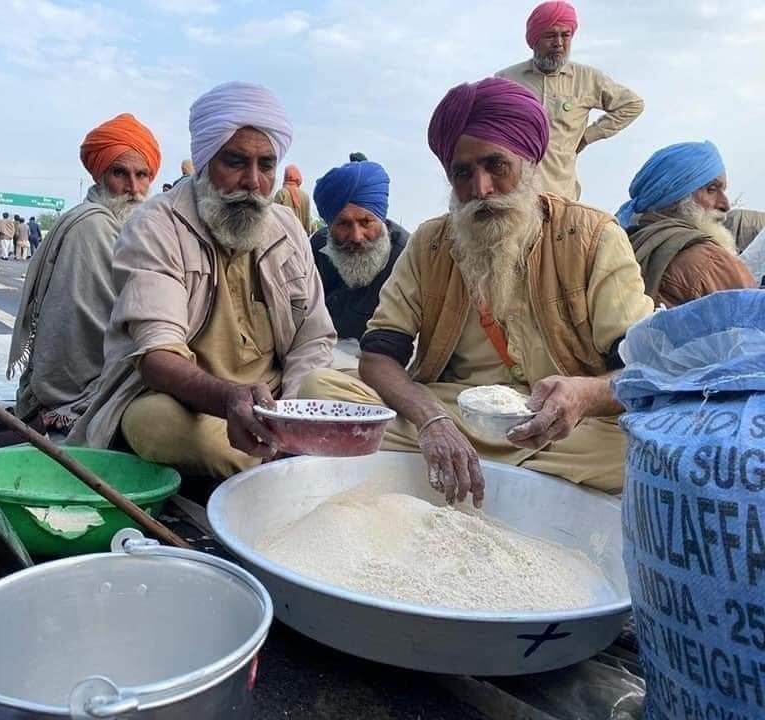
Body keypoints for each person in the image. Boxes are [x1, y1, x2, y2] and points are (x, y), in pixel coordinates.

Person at [299, 77, 654, 502]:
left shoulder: (593, 237)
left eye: (496, 166)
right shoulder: (431, 243)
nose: (480, 190)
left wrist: (584, 394)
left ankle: (453, 473)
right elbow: (377, 357)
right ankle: (500, 477)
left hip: (562, 430)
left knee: (642, 446)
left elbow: (641, 370)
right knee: (320, 389)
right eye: (462, 173)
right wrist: (431, 421)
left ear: (530, 161)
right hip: (455, 415)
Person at [72, 81, 336, 480]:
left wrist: (293, 412)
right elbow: (158, 357)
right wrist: (230, 398)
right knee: (155, 422)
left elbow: (313, 337)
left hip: (277, 398)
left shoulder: (287, 229)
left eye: (266, 165)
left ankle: (288, 461)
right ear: (206, 160)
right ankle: (294, 473)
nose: (253, 182)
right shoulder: (156, 225)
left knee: (354, 394)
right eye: (235, 162)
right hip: (188, 401)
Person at [3, 112, 162, 435]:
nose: (133, 188)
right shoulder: (94, 226)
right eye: (121, 173)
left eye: (142, 175)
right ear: (100, 176)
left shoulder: (124, 226)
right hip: (76, 391)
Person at [496, 1, 643, 200]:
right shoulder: (506, 80)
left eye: (565, 35)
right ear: (534, 39)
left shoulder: (586, 79)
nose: (558, 43)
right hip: (513, 197)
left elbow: (632, 104)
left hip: (561, 197)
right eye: (550, 35)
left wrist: (587, 136)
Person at [617, 141, 757, 308]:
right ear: (675, 196)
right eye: (712, 189)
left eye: (723, 191)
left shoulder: (625, 247)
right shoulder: (708, 261)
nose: (725, 205)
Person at [309, 160, 409, 339]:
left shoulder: (406, 257)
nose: (356, 236)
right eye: (343, 224)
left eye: (366, 222)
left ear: (381, 219)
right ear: (330, 226)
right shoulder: (317, 248)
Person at [273, 164, 313, 234]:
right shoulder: (305, 196)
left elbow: (273, 219)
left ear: (286, 176)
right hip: (301, 239)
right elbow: (307, 222)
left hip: (284, 239)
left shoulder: (281, 193)